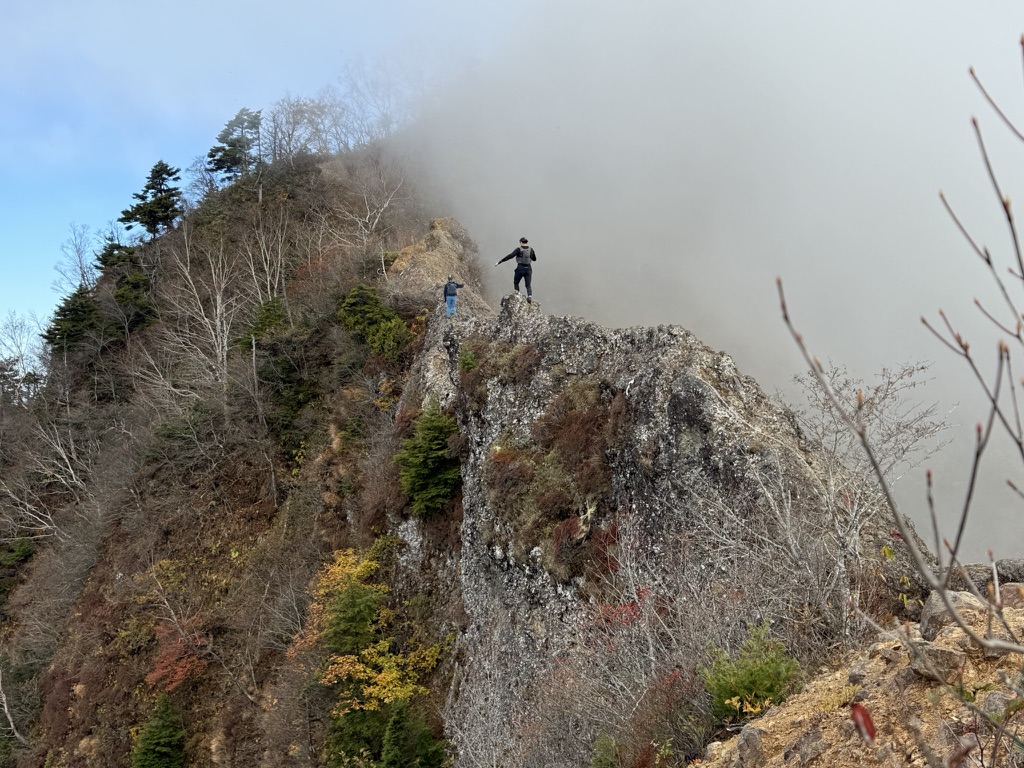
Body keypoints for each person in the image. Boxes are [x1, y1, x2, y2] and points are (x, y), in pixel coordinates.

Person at [495, 237, 537, 303]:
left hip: (520, 268)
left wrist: (501, 261)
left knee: (516, 282)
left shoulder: (518, 249)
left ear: (521, 242)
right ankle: (529, 296)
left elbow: (510, 256)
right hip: (528, 268)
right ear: (527, 242)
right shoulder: (531, 249)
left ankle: (517, 295)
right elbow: (534, 259)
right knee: (528, 285)